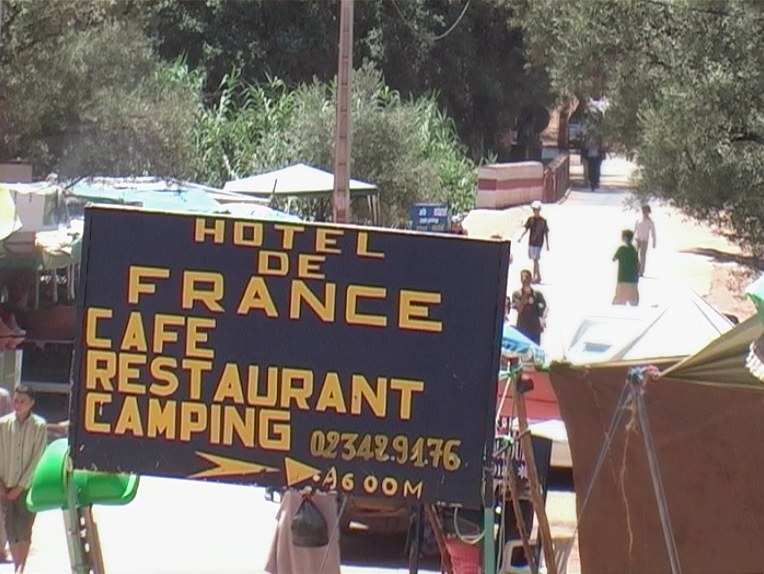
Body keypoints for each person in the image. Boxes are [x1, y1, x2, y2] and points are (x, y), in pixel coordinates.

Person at [0, 385, 47, 573]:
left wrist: (20, 487)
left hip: (27, 486)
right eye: (16, 401)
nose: (18, 405)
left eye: (22, 401)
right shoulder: (3, 424)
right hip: (6, 483)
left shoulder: (39, 426)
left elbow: (37, 458)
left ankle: (21, 566)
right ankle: (16, 565)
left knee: (24, 526)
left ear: (31, 403)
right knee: (10, 527)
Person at [511, 269, 548, 344]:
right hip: (522, 328)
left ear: (531, 279)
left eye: (526, 277)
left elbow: (545, 308)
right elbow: (519, 310)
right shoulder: (517, 294)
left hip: (535, 328)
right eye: (522, 277)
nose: (524, 279)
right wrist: (525, 295)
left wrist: (542, 318)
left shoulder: (537, 294)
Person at [518, 200, 549, 284]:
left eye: (537, 210)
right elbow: (526, 229)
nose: (536, 212)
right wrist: (520, 237)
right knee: (534, 260)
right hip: (531, 242)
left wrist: (547, 244)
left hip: (539, 243)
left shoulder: (543, 221)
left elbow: (546, 233)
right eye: (535, 210)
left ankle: (535, 277)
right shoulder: (530, 220)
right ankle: (538, 276)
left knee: (536, 260)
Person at [612, 229, 640, 306]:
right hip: (633, 280)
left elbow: (614, 259)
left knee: (618, 303)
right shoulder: (633, 250)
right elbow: (637, 264)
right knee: (634, 303)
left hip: (623, 278)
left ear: (625, 238)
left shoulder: (621, 249)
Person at [634, 205, 657, 276]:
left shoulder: (650, 222)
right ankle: (636, 269)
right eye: (643, 211)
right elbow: (635, 229)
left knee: (642, 255)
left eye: (646, 211)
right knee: (635, 254)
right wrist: (631, 237)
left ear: (648, 212)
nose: (644, 213)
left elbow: (653, 232)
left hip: (644, 240)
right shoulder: (638, 220)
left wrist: (654, 242)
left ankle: (641, 270)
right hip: (637, 239)